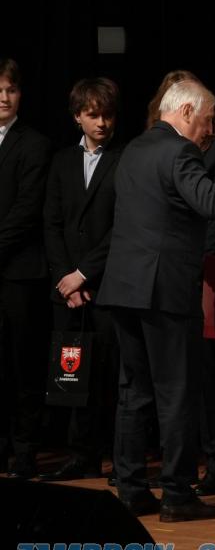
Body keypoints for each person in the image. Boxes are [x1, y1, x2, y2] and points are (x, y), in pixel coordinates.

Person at [98, 79, 215, 521]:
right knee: (175, 392)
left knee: (133, 392)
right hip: (164, 290)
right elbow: (210, 201)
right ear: (188, 110)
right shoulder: (180, 152)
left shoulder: (133, 149)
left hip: (124, 288)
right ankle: (177, 495)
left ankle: (132, 491)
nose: (209, 129)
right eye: (207, 119)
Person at [41, 77, 124, 481]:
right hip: (68, 290)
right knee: (71, 374)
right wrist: (65, 279)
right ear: (78, 117)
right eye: (93, 115)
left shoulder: (123, 159)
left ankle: (117, 457)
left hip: (105, 284)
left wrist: (84, 273)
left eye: (107, 115)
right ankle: (80, 455)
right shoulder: (61, 161)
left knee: (110, 373)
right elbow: (52, 224)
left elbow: (121, 226)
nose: (102, 123)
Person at [0, 57, 52, 479]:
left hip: (19, 272)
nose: (4, 97)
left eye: (11, 89)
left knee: (23, 366)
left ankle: (25, 451)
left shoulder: (34, 144)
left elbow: (26, 210)